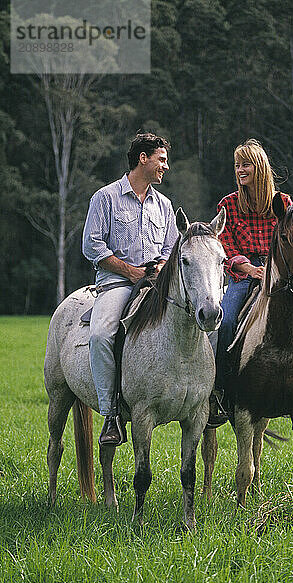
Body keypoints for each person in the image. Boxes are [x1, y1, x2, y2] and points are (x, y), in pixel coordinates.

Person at [210, 139, 293, 426]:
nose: (240, 170)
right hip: (244, 277)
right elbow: (225, 246)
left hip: (282, 279)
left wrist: (277, 271)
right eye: (237, 165)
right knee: (227, 321)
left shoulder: (284, 204)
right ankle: (219, 393)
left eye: (245, 164)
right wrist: (248, 268)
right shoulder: (228, 204)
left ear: (259, 167)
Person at [82, 132, 179, 445]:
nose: (166, 166)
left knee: (199, 323)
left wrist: (161, 268)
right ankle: (111, 415)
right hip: (117, 284)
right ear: (143, 158)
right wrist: (133, 272)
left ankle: (205, 399)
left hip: (156, 285)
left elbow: (171, 247)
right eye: (161, 160)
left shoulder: (164, 205)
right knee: (100, 335)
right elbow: (92, 245)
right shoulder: (105, 197)